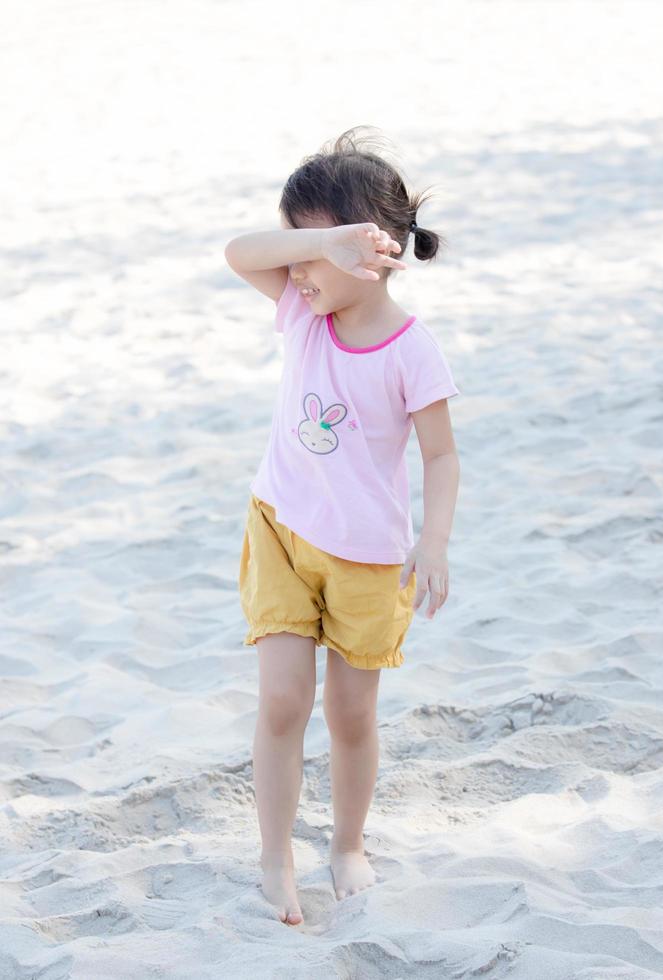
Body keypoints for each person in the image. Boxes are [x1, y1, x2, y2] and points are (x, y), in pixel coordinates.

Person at [224, 126, 461, 926]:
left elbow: (439, 456)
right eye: (296, 244)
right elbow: (237, 252)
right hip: (281, 532)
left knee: (350, 714)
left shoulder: (411, 349)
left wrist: (432, 542)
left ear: (377, 251)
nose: (295, 266)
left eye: (316, 247)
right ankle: (273, 856)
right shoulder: (301, 312)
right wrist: (319, 243)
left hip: (367, 559)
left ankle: (347, 845)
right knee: (284, 701)